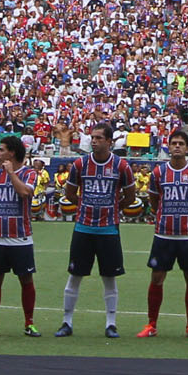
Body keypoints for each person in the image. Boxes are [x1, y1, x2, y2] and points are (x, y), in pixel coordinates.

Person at [56, 122, 135, 339]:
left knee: (109, 277)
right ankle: (67, 321)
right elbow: (70, 192)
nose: (94, 141)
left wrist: (114, 207)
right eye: (93, 137)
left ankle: (111, 323)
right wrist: (83, 204)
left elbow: (130, 196)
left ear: (110, 141)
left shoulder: (121, 166)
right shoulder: (80, 164)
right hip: (84, 227)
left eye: (99, 138)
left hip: (109, 229)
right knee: (75, 275)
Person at [141, 129, 188, 339]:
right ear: (168, 147)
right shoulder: (158, 173)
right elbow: (153, 200)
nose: (177, 146)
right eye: (174, 143)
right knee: (157, 277)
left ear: (187, 148)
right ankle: (152, 324)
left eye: (181, 143)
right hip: (164, 234)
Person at [0, 134, 39, 336]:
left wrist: (12, 174)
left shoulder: (29, 174)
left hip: (20, 237)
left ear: (11, 152)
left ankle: (29, 323)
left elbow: (24, 193)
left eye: (2, 149)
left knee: (26, 280)